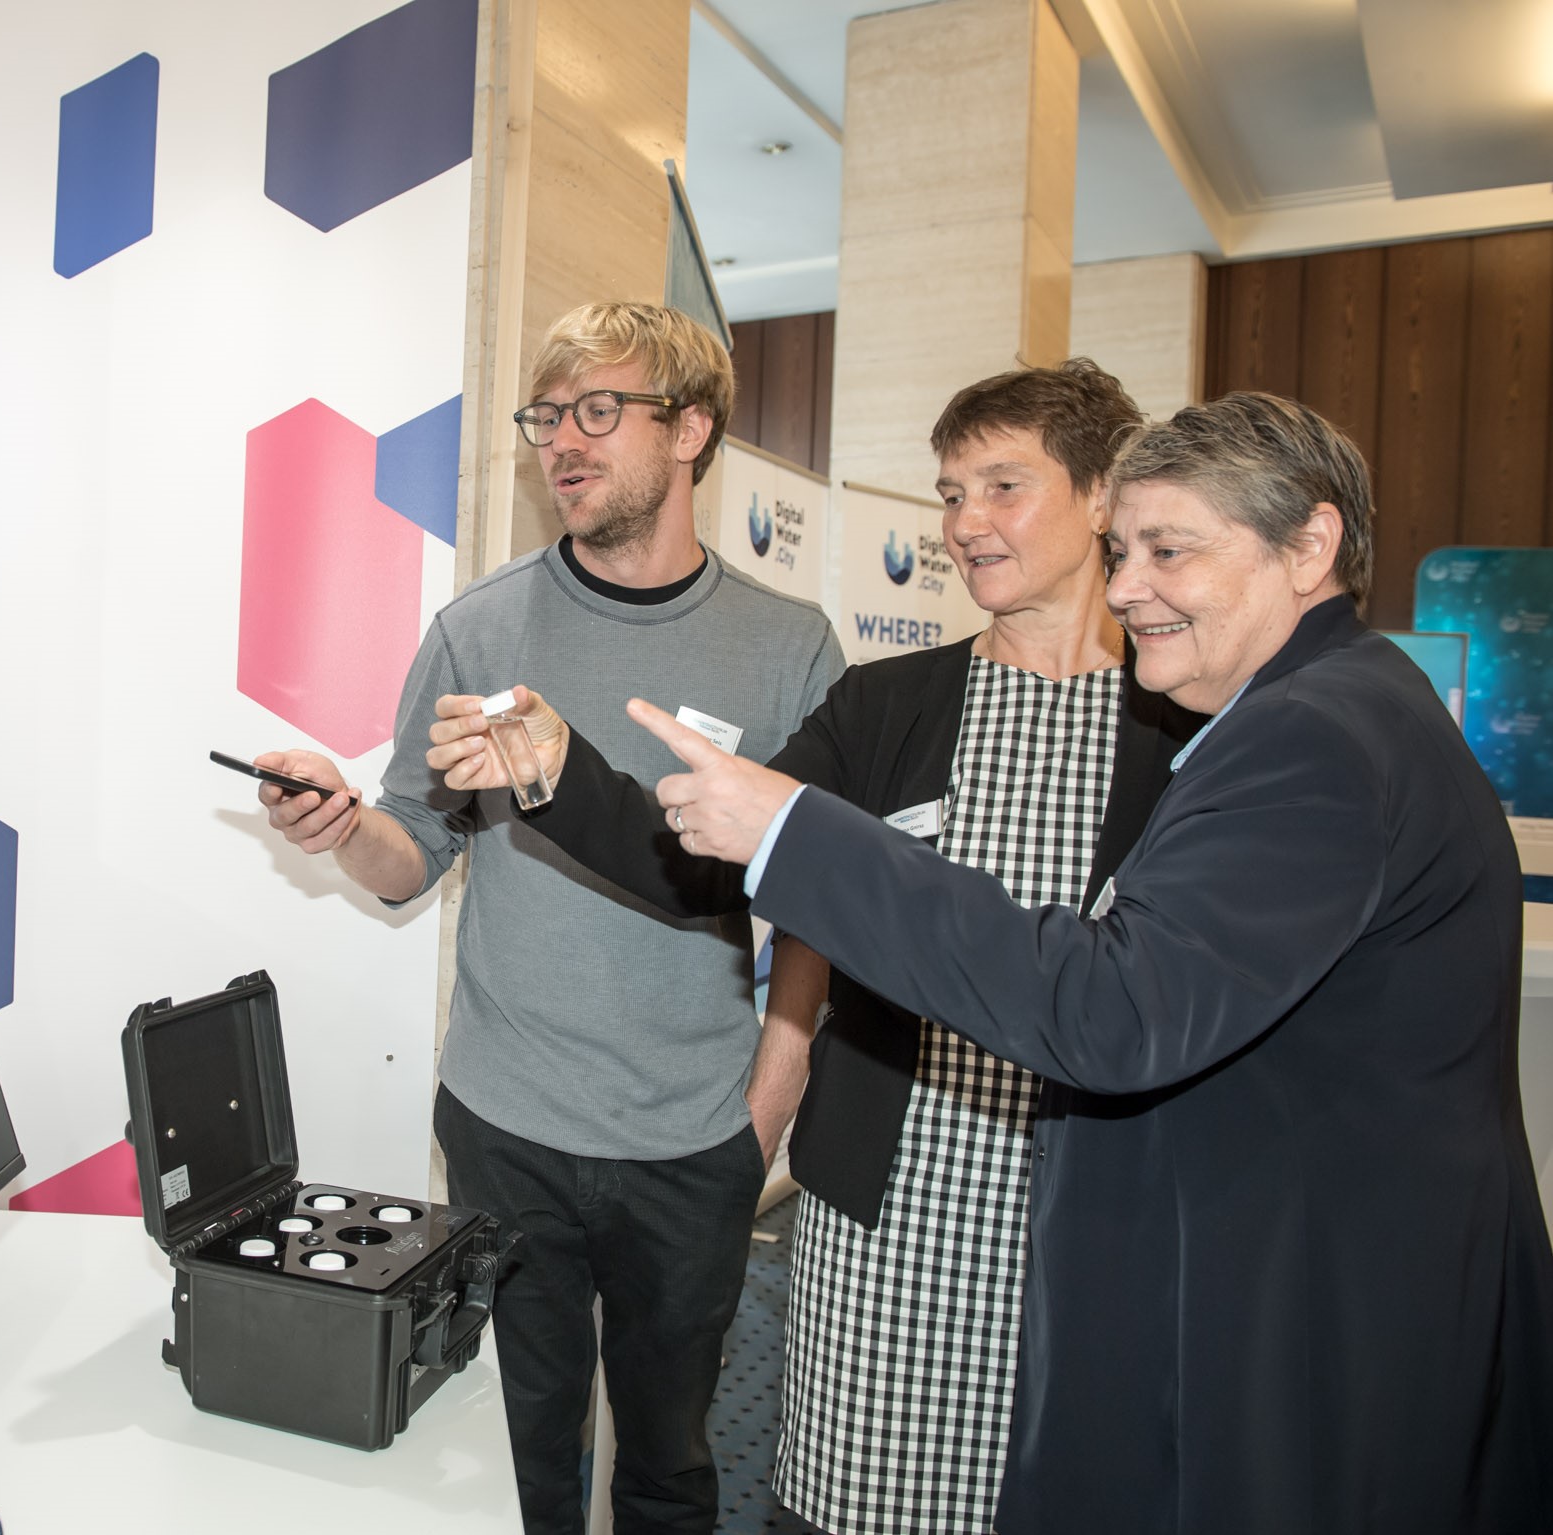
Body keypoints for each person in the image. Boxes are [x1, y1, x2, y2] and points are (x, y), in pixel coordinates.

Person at [620, 393, 1553, 1533]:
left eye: (1169, 551)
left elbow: (1114, 1006)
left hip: (1316, 1334)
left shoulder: (1308, 736)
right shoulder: (1328, 707)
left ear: (1308, 545)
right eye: (1124, 552)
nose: (1124, 587)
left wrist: (798, 834)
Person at [430, 359, 1200, 1535]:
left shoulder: (1188, 727)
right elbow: (705, 862)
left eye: (1002, 486)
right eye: (950, 493)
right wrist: (561, 770)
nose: (965, 523)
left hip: (1092, 1214)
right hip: (890, 1209)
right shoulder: (888, 706)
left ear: (1102, 494)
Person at [253, 301, 841, 1533]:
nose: (562, 442)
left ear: (689, 428)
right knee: (508, 1462)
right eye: (546, 416)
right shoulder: (479, 627)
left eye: (598, 411)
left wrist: (765, 1106)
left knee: (668, 1467)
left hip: (692, 1138)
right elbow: (409, 852)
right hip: (504, 1127)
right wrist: (340, 822)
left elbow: (813, 906)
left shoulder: (788, 648)